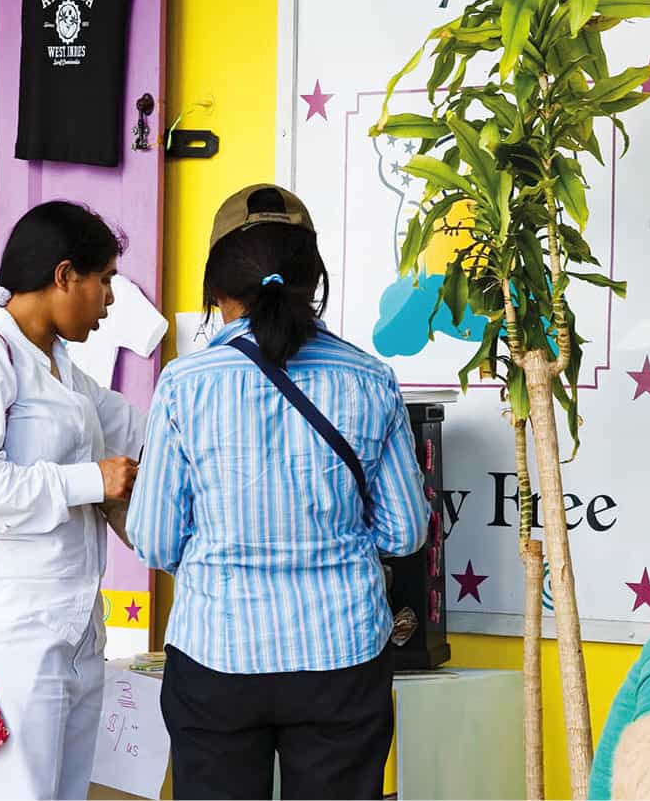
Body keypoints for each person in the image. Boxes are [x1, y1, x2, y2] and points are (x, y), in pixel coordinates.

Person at [127, 184, 429, 800]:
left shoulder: (185, 384)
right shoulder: (369, 378)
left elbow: (155, 541)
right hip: (341, 653)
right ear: (313, 279)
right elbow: (404, 531)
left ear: (216, 288)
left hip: (216, 655)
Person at [0, 201, 147, 799]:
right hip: (6, 632)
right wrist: (88, 482)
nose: (110, 300)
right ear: (64, 275)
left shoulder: (65, 372)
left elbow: (142, 433)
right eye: (104, 282)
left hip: (72, 631)